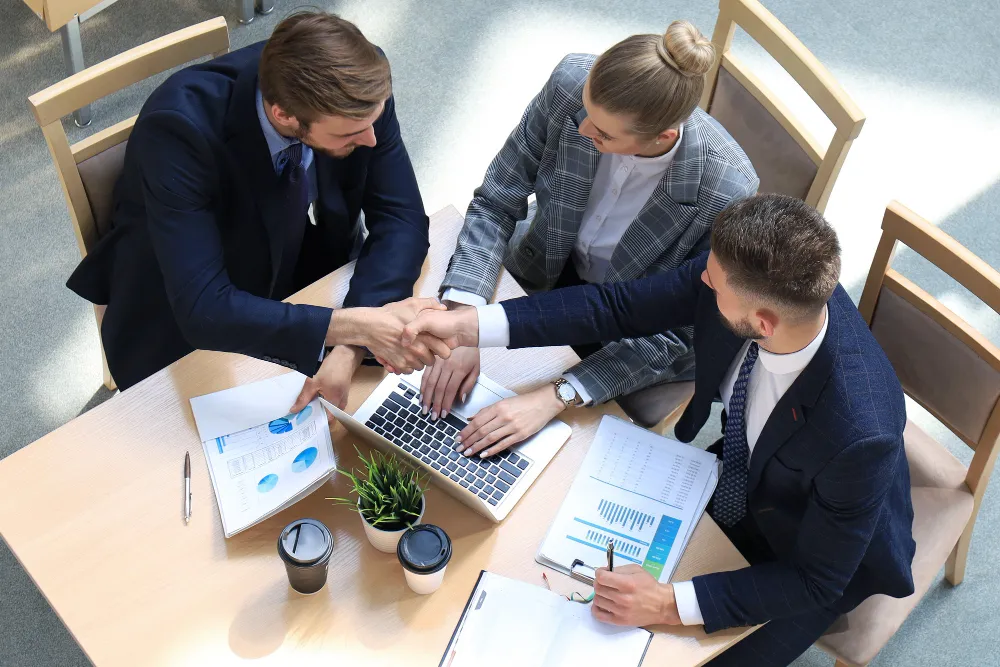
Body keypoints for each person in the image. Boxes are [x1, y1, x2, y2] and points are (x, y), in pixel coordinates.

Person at [402, 194, 916, 667]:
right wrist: (471, 325)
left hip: (805, 555)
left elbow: (816, 579)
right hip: (742, 475)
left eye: (714, 283)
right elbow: (617, 308)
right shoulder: (739, 274)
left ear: (763, 325)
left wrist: (669, 604)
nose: (703, 281)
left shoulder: (859, 433)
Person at [67, 12, 445, 406]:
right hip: (183, 312)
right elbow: (204, 308)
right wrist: (349, 327)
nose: (371, 139)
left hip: (302, 272)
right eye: (349, 134)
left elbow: (402, 219)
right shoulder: (176, 133)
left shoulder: (361, 97)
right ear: (284, 115)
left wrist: (352, 343)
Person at [415, 20, 758, 456]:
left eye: (604, 133)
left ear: (663, 137)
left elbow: (677, 333)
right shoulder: (570, 83)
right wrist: (464, 320)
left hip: (633, 330)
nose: (581, 131)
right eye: (587, 113)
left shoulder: (726, 191)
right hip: (544, 268)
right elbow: (499, 199)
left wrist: (558, 395)